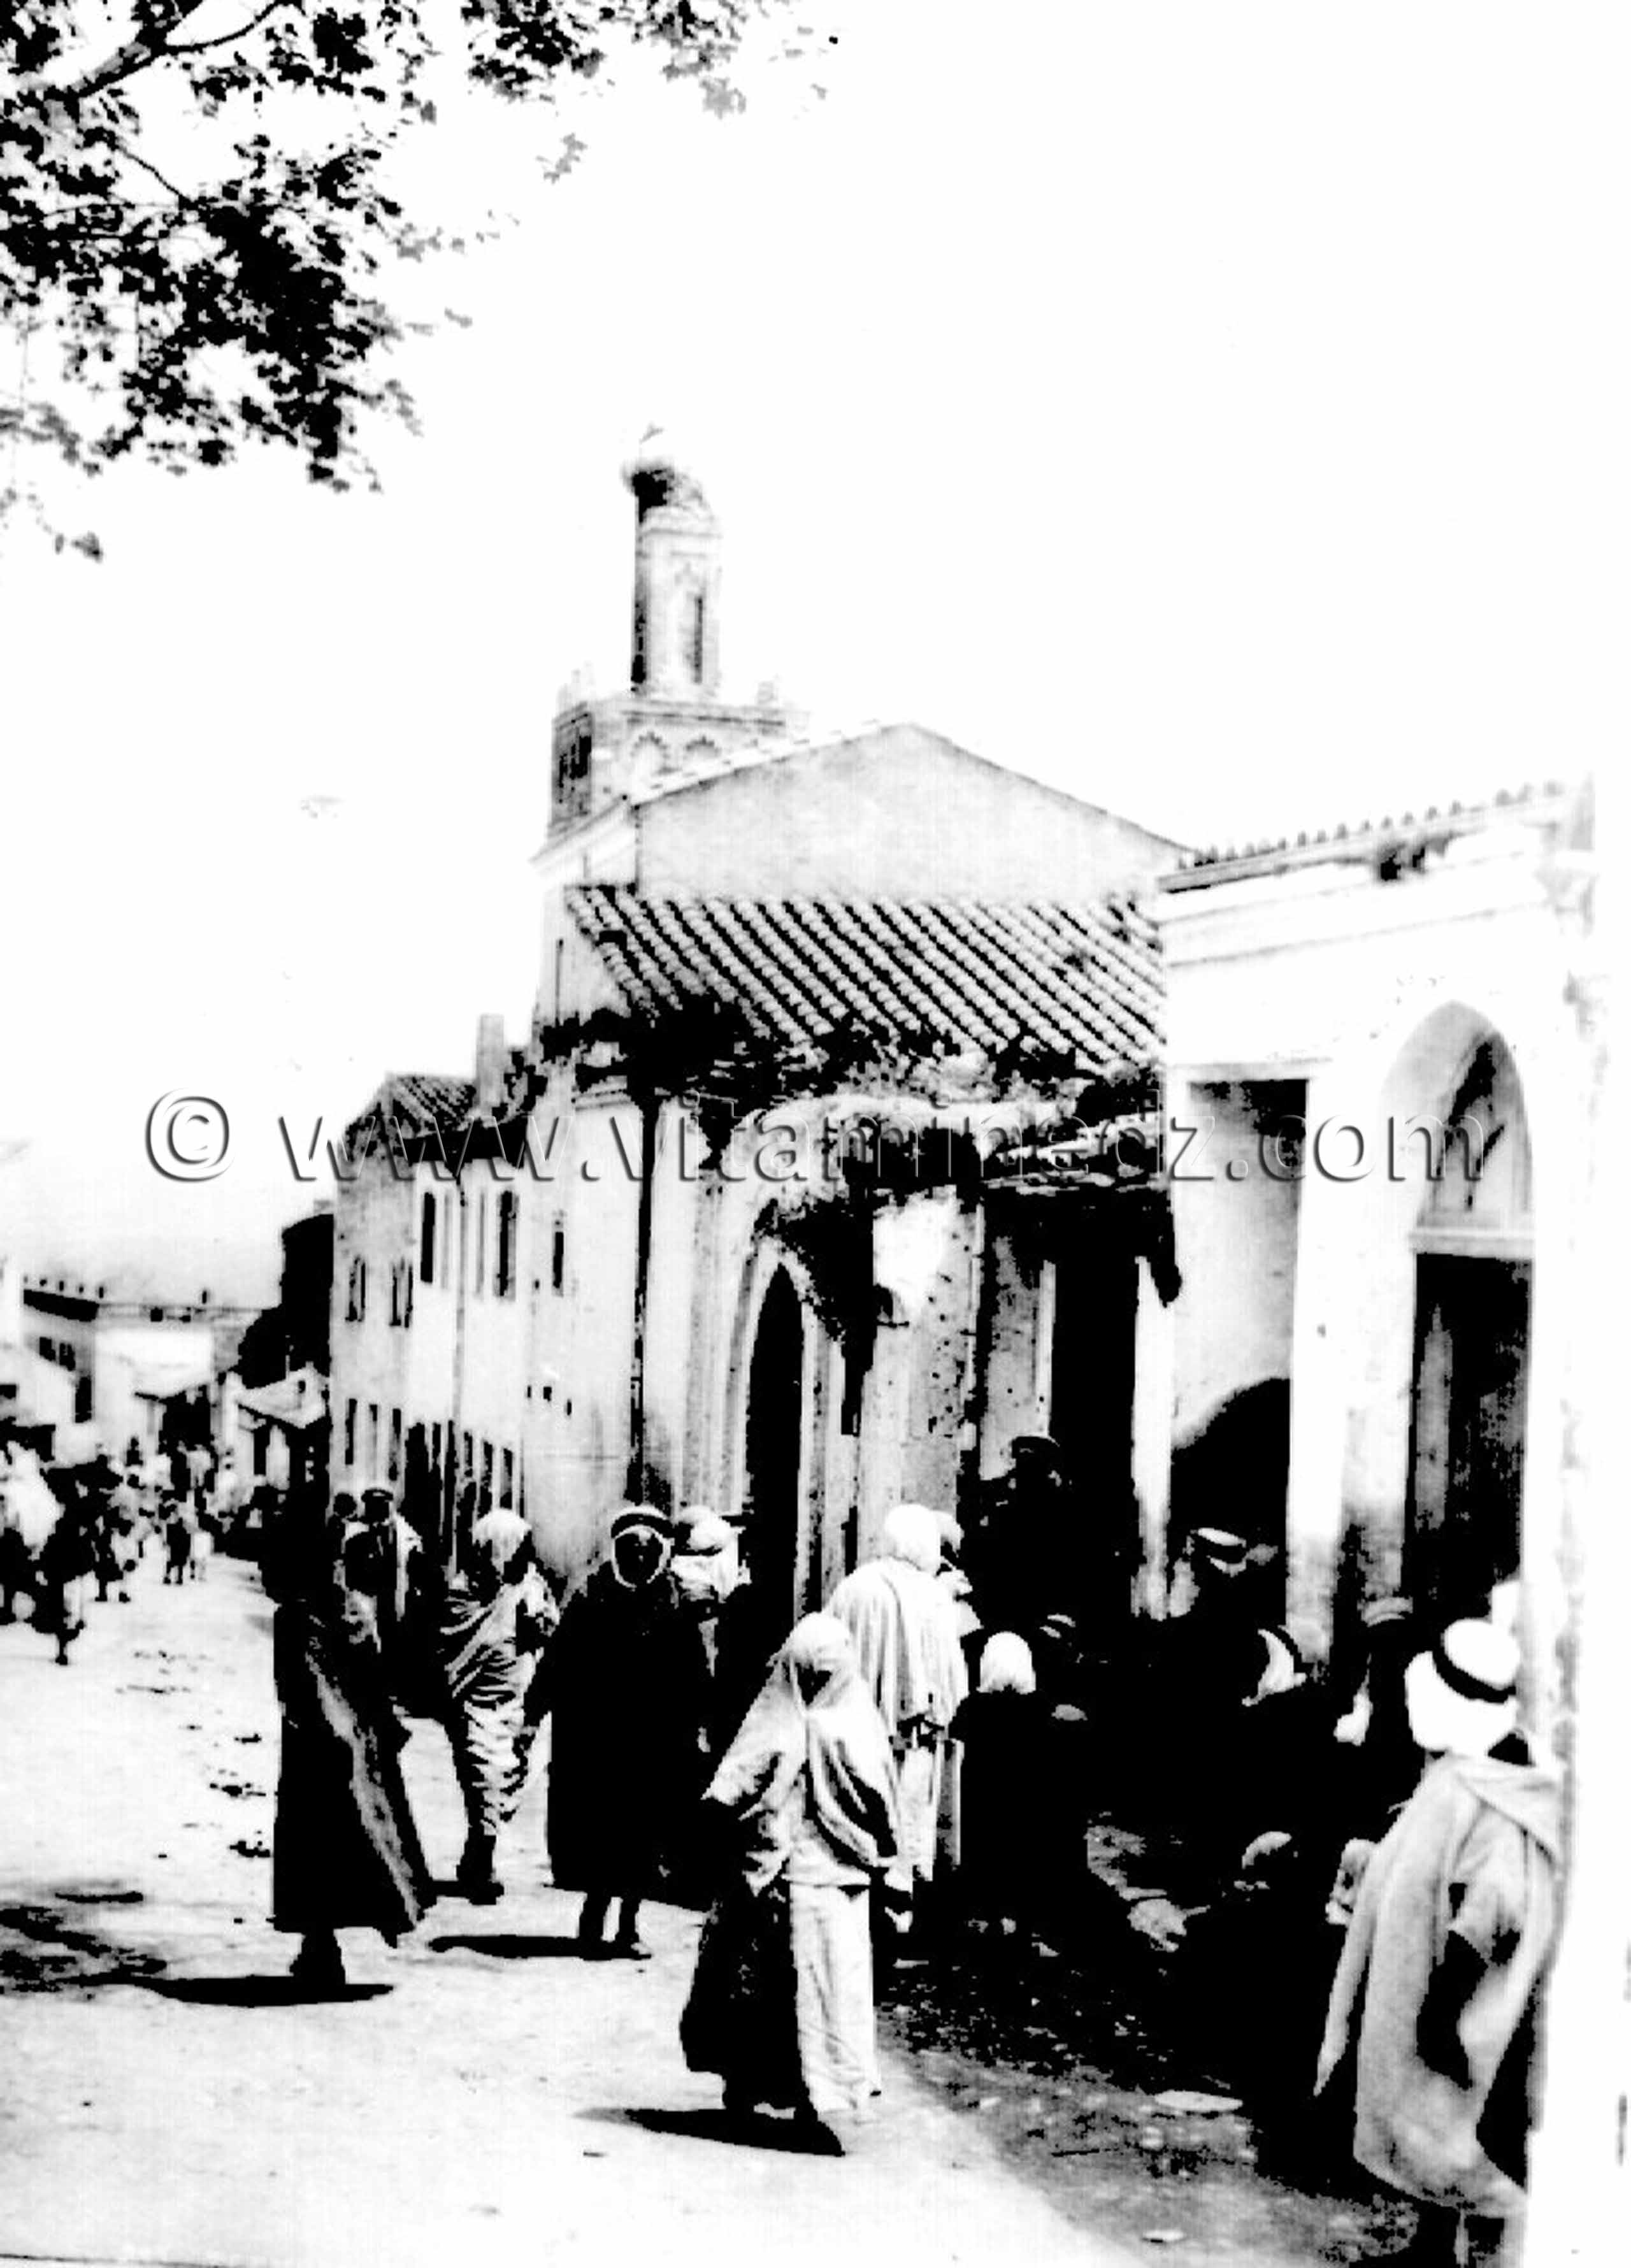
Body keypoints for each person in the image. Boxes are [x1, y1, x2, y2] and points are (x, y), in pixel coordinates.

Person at [1316, 1620, 1562, 2267]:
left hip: (1459, 1988)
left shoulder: (1503, 1793)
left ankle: (1460, 2257)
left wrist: (1443, 2006)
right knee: (1427, 2118)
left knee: (1455, 2126)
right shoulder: (1466, 1771)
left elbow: (1491, 1903)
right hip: (1428, 1977)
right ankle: (1432, 2247)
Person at [681, 1614, 900, 2138]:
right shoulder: (857, 1724)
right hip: (834, 1884)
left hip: (769, 1877)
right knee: (825, 1997)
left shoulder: (778, 1715)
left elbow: (731, 1784)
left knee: (756, 1991)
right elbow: (885, 1809)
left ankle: (747, 2085)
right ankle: (813, 2099)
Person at [266, 1501, 433, 1992]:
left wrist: (323, 1725)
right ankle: (327, 1945)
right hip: (358, 1745)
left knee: (314, 1848)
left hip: (314, 1748)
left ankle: (320, 1947)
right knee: (362, 1836)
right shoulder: (354, 1611)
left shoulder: (293, 1618)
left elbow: (295, 1689)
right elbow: (375, 1681)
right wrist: (380, 1731)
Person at [536, 1505, 710, 1958]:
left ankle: (629, 1925)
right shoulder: (591, 1596)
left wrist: (699, 1725)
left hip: (654, 1743)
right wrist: (534, 1710)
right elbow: (557, 1660)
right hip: (599, 1740)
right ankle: (593, 1915)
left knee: (644, 1836)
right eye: (630, 1549)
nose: (639, 1557)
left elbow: (694, 1673)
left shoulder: (675, 1603)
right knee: (600, 1831)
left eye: (647, 1550)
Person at [826, 1503, 968, 1942]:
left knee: (858, 1818)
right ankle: (898, 1916)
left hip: (857, 1731)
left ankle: (858, 1910)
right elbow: (951, 1680)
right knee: (905, 1824)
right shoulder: (934, 1597)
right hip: (914, 1738)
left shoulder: (854, 1587)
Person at [436, 1507, 557, 1902]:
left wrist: (538, 1617)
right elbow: (450, 1646)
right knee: (483, 1782)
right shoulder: (463, 1592)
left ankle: (476, 1855)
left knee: (514, 1779)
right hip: (474, 1703)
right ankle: (482, 1868)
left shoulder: (531, 1584)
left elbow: (549, 1630)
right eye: (518, 1546)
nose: (525, 1553)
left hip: (519, 1703)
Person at [948, 1632, 1046, 1948]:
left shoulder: (973, 1707)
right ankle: (1020, 1922)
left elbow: (956, 1737)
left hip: (982, 1794)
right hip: (1025, 1795)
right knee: (1022, 1852)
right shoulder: (1037, 1707)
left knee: (985, 1851)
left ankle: (987, 1918)